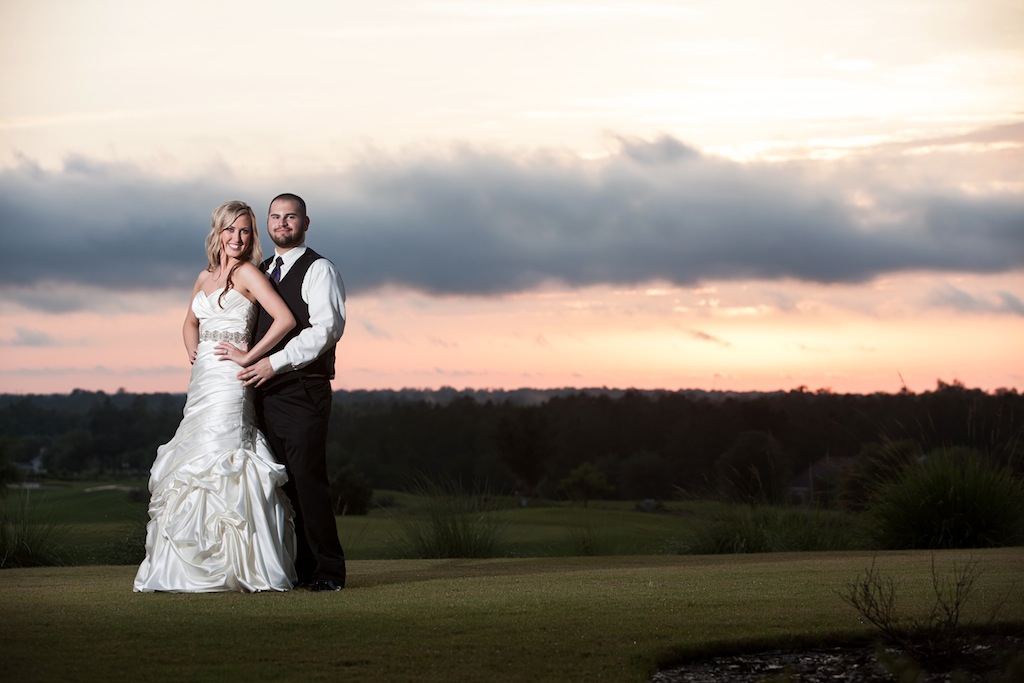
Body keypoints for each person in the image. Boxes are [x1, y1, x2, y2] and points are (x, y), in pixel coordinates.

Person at [134, 200, 298, 593]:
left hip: (229, 378)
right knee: (192, 459)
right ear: (218, 232)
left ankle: (236, 565)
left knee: (223, 457)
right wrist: (193, 349)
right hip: (203, 379)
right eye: (230, 230)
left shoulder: (248, 274)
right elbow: (190, 321)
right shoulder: (205, 276)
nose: (237, 238)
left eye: (245, 231)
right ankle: (184, 567)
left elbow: (286, 319)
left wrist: (249, 355)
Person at [235, 193, 347, 592]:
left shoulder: (320, 270)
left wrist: (275, 363)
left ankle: (329, 572)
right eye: (275, 217)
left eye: (291, 217)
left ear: (305, 223)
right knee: (278, 485)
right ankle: (297, 569)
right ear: (268, 223)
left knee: (307, 480)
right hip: (262, 394)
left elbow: (326, 330)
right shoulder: (260, 270)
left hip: (303, 390)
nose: (282, 224)